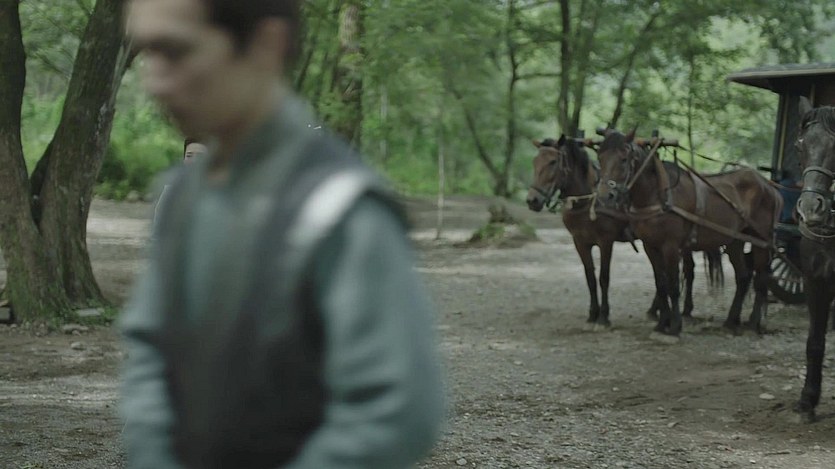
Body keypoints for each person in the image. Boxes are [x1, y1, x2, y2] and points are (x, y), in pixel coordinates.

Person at [120, 1, 445, 468]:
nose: (154, 81)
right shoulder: (182, 196)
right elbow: (151, 353)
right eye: (146, 53)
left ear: (265, 44)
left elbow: (396, 411)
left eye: (174, 51)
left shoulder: (339, 210)